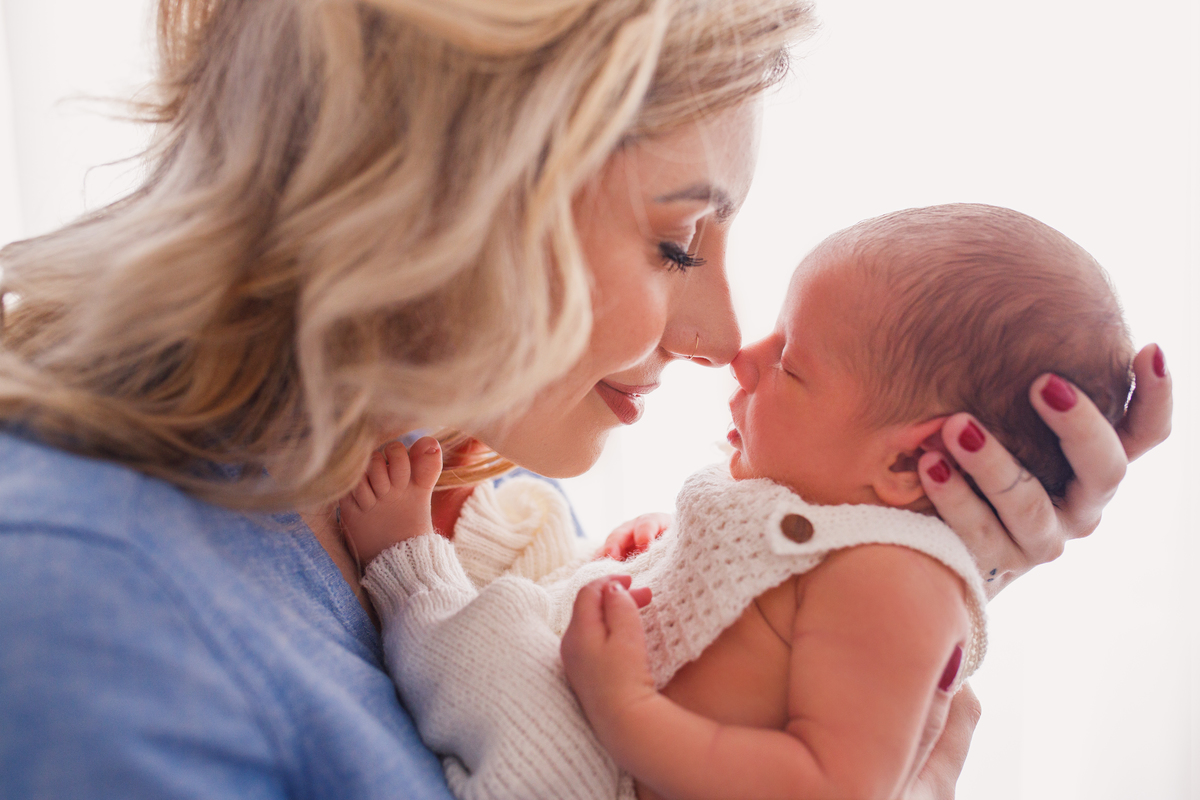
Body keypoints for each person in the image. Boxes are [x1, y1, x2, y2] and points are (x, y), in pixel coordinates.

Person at [0, 0, 1170, 796]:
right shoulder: (80, 605)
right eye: (678, 242)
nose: (721, 339)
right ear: (436, 189)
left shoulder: (474, 493)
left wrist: (902, 565)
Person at [337, 204, 1146, 800]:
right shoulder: (822, 523)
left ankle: (412, 577)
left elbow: (830, 788)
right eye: (676, 244)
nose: (740, 354)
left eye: (791, 363)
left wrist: (626, 708)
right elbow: (748, 633)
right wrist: (657, 553)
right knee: (541, 590)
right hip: (615, 740)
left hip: (596, 775)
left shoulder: (898, 581)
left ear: (907, 461)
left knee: (504, 636)